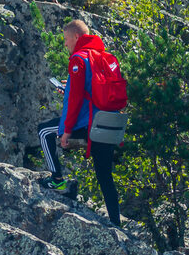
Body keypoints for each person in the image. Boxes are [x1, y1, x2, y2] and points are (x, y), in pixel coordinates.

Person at [38, 18, 129, 226]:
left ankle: (57, 181)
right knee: (105, 176)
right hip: (109, 122)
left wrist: (67, 131)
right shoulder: (106, 57)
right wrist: (68, 84)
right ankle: (116, 223)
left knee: (44, 131)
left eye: (66, 39)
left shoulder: (78, 59)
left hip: (88, 124)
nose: (65, 44)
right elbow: (94, 88)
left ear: (76, 37)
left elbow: (76, 99)